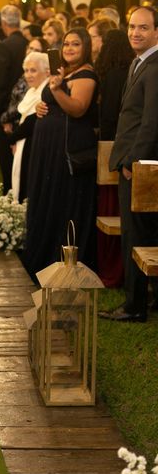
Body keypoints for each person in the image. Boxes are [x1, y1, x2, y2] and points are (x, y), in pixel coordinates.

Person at [23, 28, 99, 278]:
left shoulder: (86, 75)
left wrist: (55, 92)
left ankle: (60, 262)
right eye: (66, 44)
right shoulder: (65, 72)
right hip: (49, 149)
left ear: (85, 47)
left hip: (67, 151)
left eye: (75, 44)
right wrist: (41, 105)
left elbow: (77, 109)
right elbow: (53, 102)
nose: (68, 49)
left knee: (62, 202)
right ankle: (41, 258)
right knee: (47, 200)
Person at [102, 6, 158, 322]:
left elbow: (151, 123)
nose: (135, 33)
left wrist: (132, 161)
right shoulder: (140, 63)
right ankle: (145, 301)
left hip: (139, 166)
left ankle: (134, 305)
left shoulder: (155, 66)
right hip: (132, 162)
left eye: (143, 28)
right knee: (139, 232)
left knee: (136, 235)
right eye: (132, 27)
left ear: (157, 32)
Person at [94, 29, 134, 288]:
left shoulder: (111, 76)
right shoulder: (130, 70)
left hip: (113, 150)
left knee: (112, 209)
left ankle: (113, 267)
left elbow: (109, 116)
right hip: (121, 147)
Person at [0, 4, 28, 194]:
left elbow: (0, 81)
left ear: (4, 23)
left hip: (7, 108)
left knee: (6, 154)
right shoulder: (27, 42)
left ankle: (9, 192)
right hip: (27, 105)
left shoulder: (4, 45)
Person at [6, 51, 49, 202]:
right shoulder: (32, 91)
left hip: (35, 145)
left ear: (47, 72)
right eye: (26, 70)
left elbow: (32, 121)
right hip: (24, 143)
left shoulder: (46, 92)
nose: (29, 75)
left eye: (33, 70)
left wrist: (12, 138)